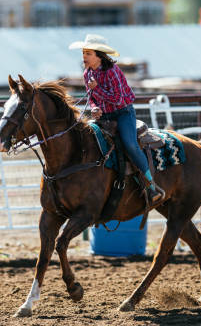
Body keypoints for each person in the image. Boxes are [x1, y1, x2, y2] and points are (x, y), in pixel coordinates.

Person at [69, 34, 163, 206]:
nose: (84, 57)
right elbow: (91, 98)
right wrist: (94, 107)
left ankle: (151, 185)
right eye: (83, 53)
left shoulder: (112, 71)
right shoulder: (87, 74)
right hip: (104, 115)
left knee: (130, 145)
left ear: (99, 55)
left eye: (88, 53)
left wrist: (96, 89)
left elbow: (118, 99)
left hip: (123, 113)